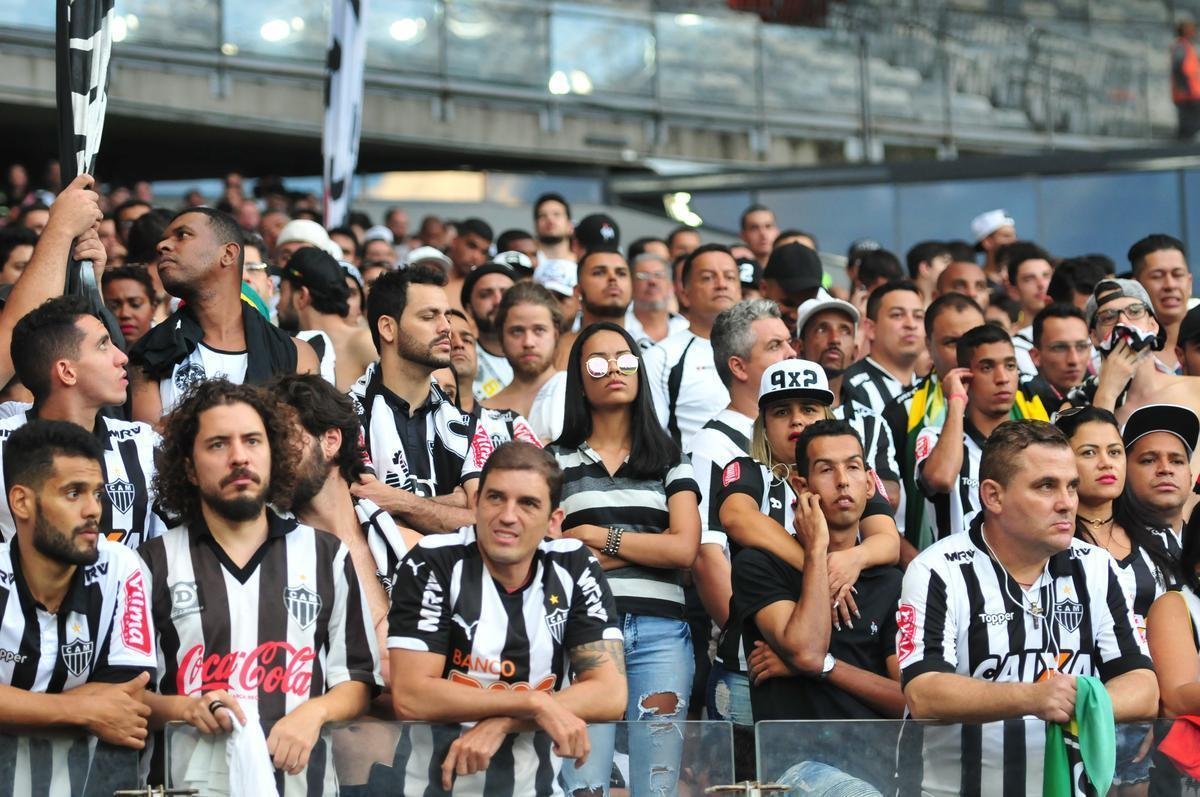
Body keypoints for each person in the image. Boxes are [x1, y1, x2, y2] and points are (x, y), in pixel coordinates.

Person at [140, 380, 380, 793]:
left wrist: (316, 711)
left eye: (253, 441)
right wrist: (186, 707)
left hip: (304, 785)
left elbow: (357, 679)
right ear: (189, 468)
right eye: (218, 444)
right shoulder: (151, 563)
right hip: (187, 786)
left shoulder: (327, 556)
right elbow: (125, 697)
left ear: (274, 454)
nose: (239, 457)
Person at [900, 420, 1158, 796]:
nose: (1067, 502)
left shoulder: (1096, 567)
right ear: (993, 496)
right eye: (1045, 486)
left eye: (1071, 485)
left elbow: (1143, 687)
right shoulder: (937, 570)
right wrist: (1034, 698)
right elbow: (924, 694)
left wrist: (1082, 703)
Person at [384, 442, 625, 795]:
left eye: (528, 503)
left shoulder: (573, 566)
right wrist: (532, 702)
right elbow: (411, 695)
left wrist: (504, 722)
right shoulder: (432, 562)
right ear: (477, 504)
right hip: (433, 788)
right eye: (496, 498)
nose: (508, 516)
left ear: (553, 521)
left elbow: (610, 694)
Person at [549, 322, 701, 797]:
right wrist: (647, 549)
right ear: (579, 377)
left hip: (662, 635)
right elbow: (556, 556)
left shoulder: (671, 459)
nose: (614, 369)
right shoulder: (554, 462)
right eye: (598, 361)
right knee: (584, 786)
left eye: (626, 359)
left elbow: (684, 550)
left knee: (656, 787)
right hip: (585, 632)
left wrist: (597, 537)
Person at [714, 361, 900, 731]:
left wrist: (853, 558)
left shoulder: (850, 478)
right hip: (753, 659)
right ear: (763, 422)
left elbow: (888, 541)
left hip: (837, 666)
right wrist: (819, 563)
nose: (797, 421)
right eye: (782, 412)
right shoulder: (748, 469)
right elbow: (737, 518)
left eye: (810, 409)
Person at [0, 420, 155, 752]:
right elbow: (103, 710)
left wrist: (15, 707)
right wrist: (80, 709)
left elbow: (129, 695)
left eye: (97, 493)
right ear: (22, 502)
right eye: (74, 493)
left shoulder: (119, 566)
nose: (94, 510)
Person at [1055, 404, 1186, 794]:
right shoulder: (1049, 543)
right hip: (1078, 717)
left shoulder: (1161, 539)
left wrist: (1156, 709)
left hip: (1155, 717)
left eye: (1114, 451)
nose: (1105, 463)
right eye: (1088, 452)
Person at [274, 374, 421, 691]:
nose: (270, 459)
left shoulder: (413, 551)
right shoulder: (271, 565)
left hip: (425, 736)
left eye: (283, 439)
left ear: (330, 441)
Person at [688, 300, 794, 727]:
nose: (791, 353)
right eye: (775, 346)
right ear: (739, 366)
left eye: (789, 342)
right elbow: (707, 555)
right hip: (752, 664)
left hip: (809, 653)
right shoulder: (711, 445)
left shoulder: (808, 438)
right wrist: (751, 641)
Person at [0, 296, 166, 549]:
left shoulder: (144, 445)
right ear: (67, 372)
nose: (122, 357)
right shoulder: (3, 447)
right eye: (103, 345)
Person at [128, 207, 319, 421]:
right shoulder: (147, 355)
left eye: (182, 235)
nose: (161, 245)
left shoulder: (297, 354)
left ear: (228, 254)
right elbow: (148, 447)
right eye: (163, 239)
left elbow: (304, 444)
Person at [348, 266, 486, 533]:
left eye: (447, 316)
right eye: (428, 316)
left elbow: (487, 521)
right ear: (388, 328)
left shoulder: (467, 426)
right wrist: (454, 504)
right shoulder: (345, 416)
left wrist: (401, 502)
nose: (447, 328)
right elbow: (361, 515)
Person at [915, 323, 1048, 540]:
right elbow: (941, 478)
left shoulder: (1035, 442)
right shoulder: (933, 437)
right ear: (965, 376)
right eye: (987, 367)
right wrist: (956, 401)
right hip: (956, 571)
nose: (1002, 378)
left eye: (1010, 366)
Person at [883, 293, 985, 560]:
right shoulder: (900, 413)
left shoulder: (1029, 405)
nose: (966, 354)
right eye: (952, 342)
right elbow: (880, 507)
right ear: (928, 345)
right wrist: (917, 565)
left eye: (976, 339)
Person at [794, 295, 902, 508]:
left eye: (845, 330)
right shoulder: (785, 417)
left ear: (854, 352)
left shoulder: (873, 422)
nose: (834, 339)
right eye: (822, 329)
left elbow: (892, 497)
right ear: (799, 347)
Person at [644, 244, 742, 448]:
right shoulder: (661, 357)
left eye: (730, 277)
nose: (721, 284)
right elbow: (652, 436)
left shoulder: (767, 350)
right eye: (708, 277)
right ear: (684, 293)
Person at [277, 246, 378, 389]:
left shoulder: (364, 343)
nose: (277, 305)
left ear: (302, 296)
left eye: (281, 292)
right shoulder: (290, 348)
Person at [842, 281, 924, 414]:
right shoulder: (849, 387)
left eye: (918, 316)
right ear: (870, 328)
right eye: (897, 315)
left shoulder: (933, 390)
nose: (911, 324)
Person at [485, 282, 563, 419]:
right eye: (517, 331)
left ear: (555, 334)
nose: (528, 342)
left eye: (539, 330)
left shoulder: (578, 395)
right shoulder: (484, 414)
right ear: (501, 337)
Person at [1122, 403, 1197, 536]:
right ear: (1123, 472)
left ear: (1190, 477)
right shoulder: (1098, 552)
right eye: (1148, 460)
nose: (1166, 469)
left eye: (1177, 461)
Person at [553, 249, 632, 370]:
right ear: (578, 292)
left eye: (621, 273)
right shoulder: (557, 350)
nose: (612, 278)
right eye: (599, 273)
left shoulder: (650, 347)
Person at [1130, 234, 1192, 373]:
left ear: (1190, 283)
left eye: (1177, 274)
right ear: (1136, 286)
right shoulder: (1123, 355)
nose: (1169, 285)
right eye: (1157, 276)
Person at [460, 261, 516, 400]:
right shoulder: (460, 359)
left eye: (506, 293)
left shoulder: (548, 353)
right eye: (486, 295)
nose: (498, 301)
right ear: (469, 309)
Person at [1000, 241, 1053, 376]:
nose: (1041, 284)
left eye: (1046, 276)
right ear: (1013, 291)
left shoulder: (1079, 333)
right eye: (1029, 279)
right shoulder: (1006, 341)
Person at [1027, 303, 1091, 409]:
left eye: (1081, 347)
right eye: (1060, 348)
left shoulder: (1101, 394)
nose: (1073, 360)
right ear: (1036, 356)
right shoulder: (1021, 404)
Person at [625, 251, 689, 348]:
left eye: (659, 275)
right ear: (630, 284)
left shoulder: (686, 329)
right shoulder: (620, 327)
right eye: (643, 276)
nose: (652, 281)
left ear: (671, 285)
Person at [758, 243, 823, 333]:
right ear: (764, 288)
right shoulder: (738, 335)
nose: (795, 316)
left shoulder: (819, 341)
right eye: (788, 303)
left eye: (806, 305)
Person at [101, 265, 159, 349]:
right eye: (113, 306)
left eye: (135, 304)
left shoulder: (173, 349)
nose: (125, 314)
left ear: (153, 308)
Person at [970, 209, 1017, 286]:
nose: (1014, 241)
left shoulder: (1018, 279)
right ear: (987, 242)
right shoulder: (977, 281)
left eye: (1015, 236)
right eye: (1006, 236)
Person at [1172, 18, 1200, 140]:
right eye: (1192, 29)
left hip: (1192, 93)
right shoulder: (1181, 46)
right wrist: (1184, 87)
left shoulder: (1188, 46)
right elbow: (1178, 67)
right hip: (1187, 94)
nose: (1195, 32)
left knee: (1191, 126)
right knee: (1188, 128)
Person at [906, 241, 952, 305]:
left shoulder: (947, 304)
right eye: (945, 262)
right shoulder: (903, 301)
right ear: (925, 268)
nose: (951, 268)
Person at [534, 193, 574, 264]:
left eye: (556, 214)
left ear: (570, 225)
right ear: (535, 225)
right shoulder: (526, 264)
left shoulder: (583, 264)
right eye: (543, 215)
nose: (550, 220)